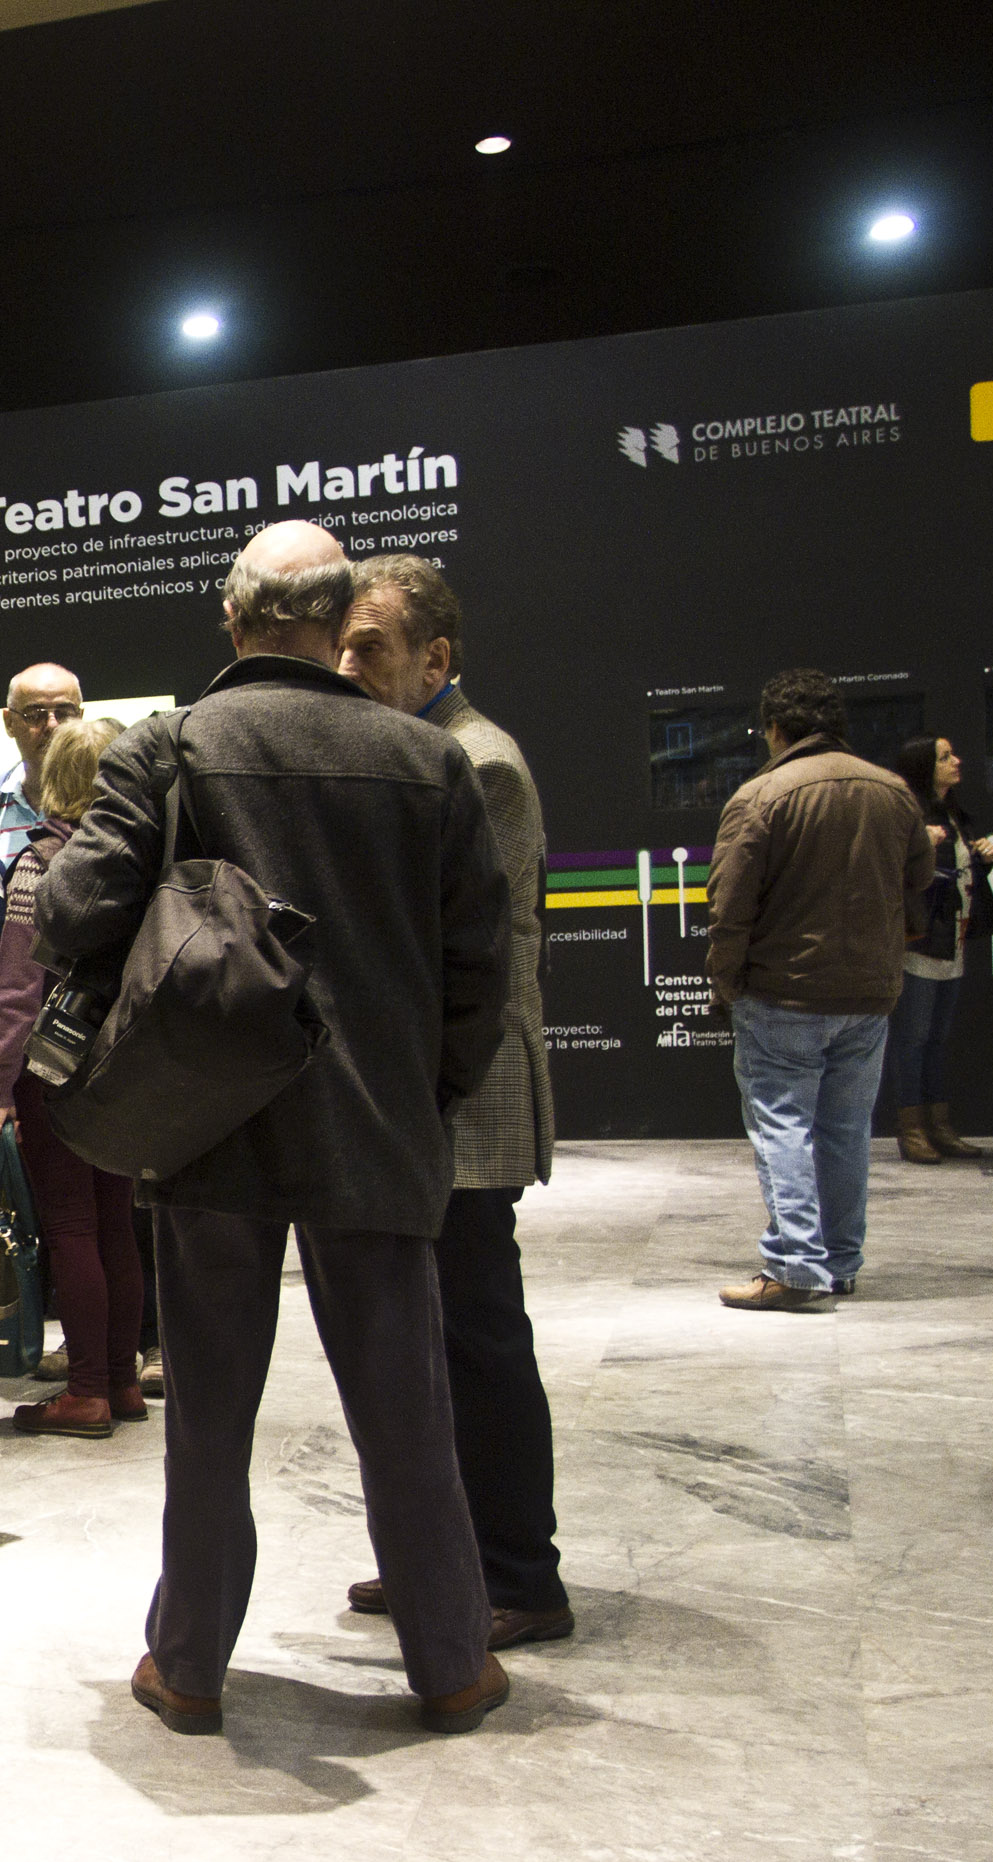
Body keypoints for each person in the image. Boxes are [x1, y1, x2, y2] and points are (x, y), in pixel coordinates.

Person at [34, 519, 513, 1737]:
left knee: (209, 1421)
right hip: (376, 1128)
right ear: (338, 619)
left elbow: (77, 909)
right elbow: (478, 975)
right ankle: (453, 1663)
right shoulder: (427, 761)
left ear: (234, 622)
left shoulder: (172, 746)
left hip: (208, 1127)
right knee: (406, 1414)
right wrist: (426, 1097)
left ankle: (189, 1665)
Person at [337, 555, 571, 1649]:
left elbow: (469, 966)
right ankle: (442, 1554)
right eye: (340, 644)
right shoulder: (421, 754)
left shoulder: (480, 765)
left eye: (369, 647)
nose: (347, 666)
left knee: (477, 1342)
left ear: (437, 657)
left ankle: (521, 1576)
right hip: (423, 1100)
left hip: (465, 1100)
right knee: (426, 1344)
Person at [705, 668, 933, 1310]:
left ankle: (797, 1269)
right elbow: (920, 878)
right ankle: (838, 1262)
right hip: (868, 994)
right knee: (844, 1129)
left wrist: (726, 984)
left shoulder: (762, 795)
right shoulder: (894, 791)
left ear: (775, 729)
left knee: (783, 1125)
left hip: (783, 994)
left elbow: (729, 907)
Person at [0, 718, 143, 1435]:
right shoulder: (143, 859)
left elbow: (18, 989)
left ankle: (84, 1391)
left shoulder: (40, 862)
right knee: (117, 1226)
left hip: (53, 1068)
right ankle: (121, 1380)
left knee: (71, 1227)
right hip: (123, 1066)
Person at [885, 735, 993, 1164]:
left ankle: (939, 1124)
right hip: (919, 941)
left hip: (952, 937)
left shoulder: (954, 812)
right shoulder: (907, 811)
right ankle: (911, 1128)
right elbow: (888, 868)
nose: (956, 761)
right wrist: (920, 846)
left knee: (936, 1038)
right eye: (945, 757)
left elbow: (960, 871)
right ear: (923, 767)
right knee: (913, 1038)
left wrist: (981, 857)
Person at [0, 663, 82, 970]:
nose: (53, 725)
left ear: (81, 718)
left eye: (64, 712)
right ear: (9, 722)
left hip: (85, 1003)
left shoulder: (106, 798)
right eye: (35, 714)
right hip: (2, 1000)